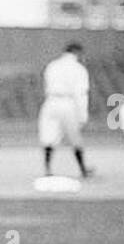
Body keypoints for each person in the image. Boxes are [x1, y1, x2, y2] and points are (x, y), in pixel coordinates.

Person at [39, 42, 92, 178]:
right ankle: (83, 169)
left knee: (48, 135)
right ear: (77, 52)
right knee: (75, 137)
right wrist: (83, 115)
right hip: (68, 102)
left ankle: (47, 169)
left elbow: (46, 85)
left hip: (51, 101)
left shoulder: (53, 65)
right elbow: (81, 93)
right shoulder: (79, 68)